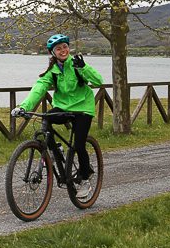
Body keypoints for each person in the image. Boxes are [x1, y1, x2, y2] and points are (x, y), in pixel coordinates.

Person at [12, 34, 104, 182]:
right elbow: (38, 89)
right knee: (46, 119)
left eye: (65, 47)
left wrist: (84, 68)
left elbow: (99, 81)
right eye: (58, 48)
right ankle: (55, 150)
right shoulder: (52, 72)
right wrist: (23, 107)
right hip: (63, 107)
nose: (63, 50)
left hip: (83, 109)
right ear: (53, 53)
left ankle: (85, 178)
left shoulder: (77, 65)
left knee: (79, 145)